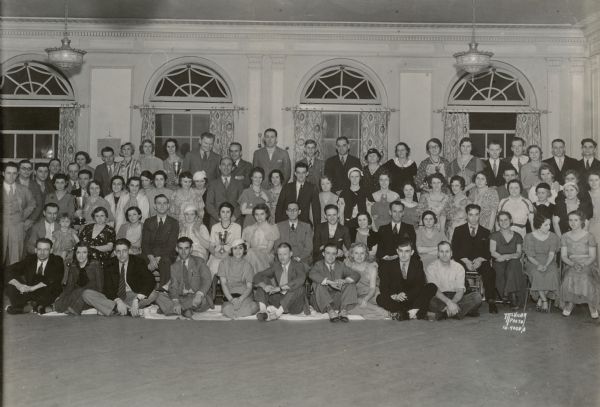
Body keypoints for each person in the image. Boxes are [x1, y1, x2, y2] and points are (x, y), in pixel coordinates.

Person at [82, 239, 156, 317]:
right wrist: (118, 301)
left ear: (129, 251)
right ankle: (127, 310)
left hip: (132, 295)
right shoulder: (109, 263)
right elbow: (107, 288)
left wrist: (136, 300)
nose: (121, 254)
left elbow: (150, 280)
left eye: (124, 251)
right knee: (86, 294)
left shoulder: (138, 262)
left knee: (153, 294)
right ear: (114, 252)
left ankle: (113, 310)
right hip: (114, 297)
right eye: (118, 251)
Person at [451, 204, 498, 313]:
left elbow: (488, 252)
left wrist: (480, 259)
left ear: (479, 215)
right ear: (466, 215)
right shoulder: (458, 230)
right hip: (463, 261)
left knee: (490, 272)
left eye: (476, 215)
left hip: (479, 261)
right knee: (459, 270)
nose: (474, 218)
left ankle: (491, 301)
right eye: (471, 215)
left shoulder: (485, 232)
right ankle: (467, 301)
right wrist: (466, 260)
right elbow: (455, 250)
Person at [377, 239, 437, 320]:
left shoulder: (417, 263)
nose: (403, 254)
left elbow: (419, 284)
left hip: (413, 298)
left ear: (412, 252)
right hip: (397, 300)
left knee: (431, 286)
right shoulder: (387, 265)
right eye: (401, 251)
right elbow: (383, 286)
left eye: (407, 251)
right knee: (380, 298)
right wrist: (394, 296)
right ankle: (416, 313)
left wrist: (406, 294)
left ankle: (406, 314)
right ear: (397, 251)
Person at [154, 237, 213, 317]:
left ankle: (173, 309)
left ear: (191, 249)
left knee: (203, 300)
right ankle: (185, 310)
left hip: (196, 296)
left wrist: (199, 294)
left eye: (186, 248)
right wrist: (176, 301)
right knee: (158, 296)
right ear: (177, 249)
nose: (184, 252)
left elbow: (207, 280)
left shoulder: (199, 262)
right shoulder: (174, 266)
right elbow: (174, 286)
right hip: (182, 297)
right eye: (181, 248)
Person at [5, 238, 64, 314]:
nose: (42, 252)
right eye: (39, 249)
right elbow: (9, 269)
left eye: (46, 249)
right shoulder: (30, 259)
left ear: (51, 251)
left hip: (46, 291)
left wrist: (31, 289)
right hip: (30, 291)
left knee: (52, 286)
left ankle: (25, 307)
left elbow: (52, 279)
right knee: (10, 282)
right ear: (36, 250)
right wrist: (19, 286)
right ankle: (35, 307)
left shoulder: (57, 260)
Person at [426, 241, 483, 319]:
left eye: (447, 251)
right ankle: (460, 312)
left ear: (451, 253)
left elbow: (460, 290)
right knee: (430, 301)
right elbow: (435, 290)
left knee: (477, 297)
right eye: (441, 251)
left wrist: (452, 303)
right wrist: (449, 303)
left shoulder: (458, 267)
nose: (444, 254)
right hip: (440, 297)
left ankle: (443, 314)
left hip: (456, 297)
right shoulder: (431, 268)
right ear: (438, 253)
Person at [559, 210, 600, 318]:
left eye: (576, 220)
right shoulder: (565, 236)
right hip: (571, 263)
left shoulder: (589, 236)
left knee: (585, 275)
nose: (573, 223)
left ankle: (592, 305)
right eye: (570, 220)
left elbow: (592, 256)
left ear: (581, 221)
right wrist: (573, 264)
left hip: (587, 264)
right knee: (571, 275)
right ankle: (570, 304)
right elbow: (563, 256)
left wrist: (583, 264)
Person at [254, 242, 308, 321]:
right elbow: (258, 276)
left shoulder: (298, 265)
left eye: (285, 254)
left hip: (294, 305)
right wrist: (264, 286)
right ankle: (263, 311)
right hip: (279, 300)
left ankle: (277, 314)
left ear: (290, 254)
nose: (282, 257)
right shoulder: (276, 265)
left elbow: (301, 279)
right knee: (263, 280)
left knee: (299, 287)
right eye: (280, 254)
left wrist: (280, 288)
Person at [309, 243, 360, 322]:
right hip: (321, 301)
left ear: (337, 255)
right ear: (323, 254)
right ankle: (330, 311)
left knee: (351, 284)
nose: (330, 256)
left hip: (337, 301)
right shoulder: (318, 265)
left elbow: (356, 274)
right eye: (328, 253)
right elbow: (312, 274)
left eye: (333, 254)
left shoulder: (341, 265)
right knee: (316, 283)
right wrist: (329, 282)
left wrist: (345, 280)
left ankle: (343, 311)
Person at [523, 214, 560, 312]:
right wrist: (538, 265)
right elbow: (530, 256)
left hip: (549, 261)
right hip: (533, 262)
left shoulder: (553, 237)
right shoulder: (529, 237)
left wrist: (546, 265)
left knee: (552, 273)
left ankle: (540, 298)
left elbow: (552, 254)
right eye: (546, 225)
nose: (549, 227)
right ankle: (544, 300)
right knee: (537, 274)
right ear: (538, 225)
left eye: (549, 224)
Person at [54, 242, 103, 315]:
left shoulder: (95, 264)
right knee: (62, 301)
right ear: (75, 254)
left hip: (91, 295)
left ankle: (74, 308)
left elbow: (100, 287)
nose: (81, 256)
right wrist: (61, 297)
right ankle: (67, 306)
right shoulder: (73, 266)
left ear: (88, 253)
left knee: (81, 292)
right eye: (78, 253)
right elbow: (69, 286)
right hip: (76, 294)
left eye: (84, 252)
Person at [490, 211, 525, 310]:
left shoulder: (517, 236)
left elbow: (518, 253)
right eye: (501, 220)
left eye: (506, 219)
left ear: (511, 220)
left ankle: (508, 294)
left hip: (512, 261)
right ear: (498, 222)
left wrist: (505, 256)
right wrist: (506, 257)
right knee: (499, 269)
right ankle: (511, 295)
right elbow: (492, 252)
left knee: (513, 265)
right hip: (499, 261)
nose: (503, 222)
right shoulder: (494, 235)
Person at [142, 194, 179, 286]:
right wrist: (151, 258)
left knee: (165, 261)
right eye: (159, 203)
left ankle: (163, 291)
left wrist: (157, 258)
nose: (162, 206)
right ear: (154, 206)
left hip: (166, 254)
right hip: (150, 253)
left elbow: (171, 244)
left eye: (164, 203)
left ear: (168, 206)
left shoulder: (174, 222)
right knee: (138, 261)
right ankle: (144, 292)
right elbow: (145, 243)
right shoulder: (148, 221)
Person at [218, 239, 259, 319]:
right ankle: (237, 312)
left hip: (244, 296)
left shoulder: (248, 265)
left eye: (240, 248)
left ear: (244, 250)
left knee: (254, 307)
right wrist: (232, 300)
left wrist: (240, 300)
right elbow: (223, 284)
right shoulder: (223, 263)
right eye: (235, 248)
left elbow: (249, 287)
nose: (238, 251)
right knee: (226, 309)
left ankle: (236, 313)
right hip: (230, 296)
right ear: (231, 250)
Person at [344, 242, 388, 319]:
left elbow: (372, 289)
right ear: (352, 254)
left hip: (371, 295)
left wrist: (365, 299)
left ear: (366, 255)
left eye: (362, 253)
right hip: (356, 297)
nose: (359, 256)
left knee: (361, 304)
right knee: (349, 306)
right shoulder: (348, 265)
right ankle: (377, 313)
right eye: (356, 253)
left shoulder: (371, 267)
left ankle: (383, 312)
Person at [275, 161, 320, 226]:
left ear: (307, 173)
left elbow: (316, 211)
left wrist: (317, 231)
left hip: (304, 224)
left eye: (303, 173)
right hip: (286, 223)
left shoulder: (312, 188)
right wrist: (278, 225)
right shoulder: (287, 187)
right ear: (295, 173)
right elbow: (279, 207)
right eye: (298, 173)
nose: (301, 175)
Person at [205, 157, 244, 226]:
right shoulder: (212, 184)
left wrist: (234, 216)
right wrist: (219, 217)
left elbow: (242, 203)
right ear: (219, 167)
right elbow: (209, 204)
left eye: (229, 165)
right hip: (216, 221)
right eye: (223, 164)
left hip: (234, 221)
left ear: (232, 168)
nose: (226, 167)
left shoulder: (239, 184)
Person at [207, 202, 242, 278]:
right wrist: (216, 254)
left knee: (228, 265)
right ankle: (212, 288)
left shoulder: (237, 227)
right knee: (214, 264)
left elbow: (236, 245)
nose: (225, 214)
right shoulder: (214, 227)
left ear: (231, 213)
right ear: (219, 213)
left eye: (228, 212)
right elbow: (211, 245)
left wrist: (226, 254)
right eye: (223, 212)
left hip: (231, 254)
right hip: (216, 254)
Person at [242, 203, 280, 273]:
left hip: (267, 256)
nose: (259, 217)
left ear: (266, 215)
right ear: (254, 215)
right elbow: (246, 247)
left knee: (250, 254)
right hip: (251, 254)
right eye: (256, 214)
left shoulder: (272, 228)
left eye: (262, 214)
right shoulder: (249, 229)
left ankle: (254, 279)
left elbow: (268, 250)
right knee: (247, 254)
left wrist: (253, 251)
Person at [17, 160, 43, 224]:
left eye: (29, 169)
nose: (26, 171)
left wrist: (30, 220)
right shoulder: (12, 183)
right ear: (18, 170)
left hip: (31, 222)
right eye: (24, 168)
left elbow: (39, 205)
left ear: (31, 171)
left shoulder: (36, 186)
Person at [447, 176, 469, 240]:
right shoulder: (450, 199)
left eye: (457, 185)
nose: (454, 188)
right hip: (450, 229)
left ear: (461, 186)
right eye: (452, 185)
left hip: (461, 231)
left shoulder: (467, 201)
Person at [586, 171, 600, 253]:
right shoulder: (585, 195)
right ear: (588, 182)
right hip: (590, 227)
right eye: (591, 180)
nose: (594, 182)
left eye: (596, 180)